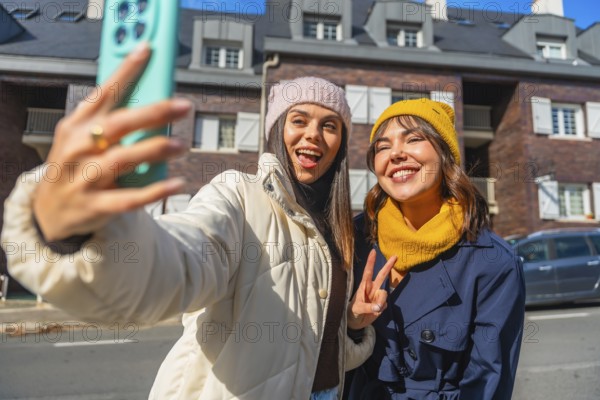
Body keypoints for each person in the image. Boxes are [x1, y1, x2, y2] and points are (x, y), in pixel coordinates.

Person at [1, 45, 394, 399]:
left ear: (342, 143)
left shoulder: (339, 228)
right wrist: (79, 233)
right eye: (299, 120)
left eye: (330, 125)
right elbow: (180, 261)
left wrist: (353, 323)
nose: (314, 135)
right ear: (276, 129)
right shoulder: (237, 195)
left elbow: (308, 351)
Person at [345, 98, 525, 399]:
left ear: (445, 154)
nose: (397, 153)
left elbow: (486, 383)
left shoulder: (490, 260)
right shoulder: (355, 238)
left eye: (414, 139)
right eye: (383, 146)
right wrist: (352, 324)